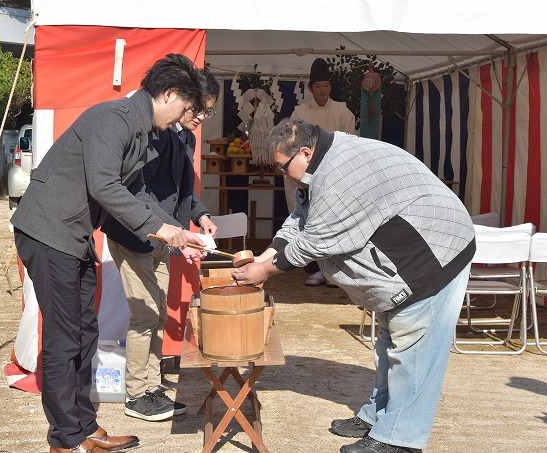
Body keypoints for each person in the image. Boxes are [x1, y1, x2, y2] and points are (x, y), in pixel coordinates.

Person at [232, 118, 475, 453]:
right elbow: (300, 219)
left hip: (435, 252)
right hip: (412, 250)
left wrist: (265, 271)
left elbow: (315, 242)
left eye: (283, 167)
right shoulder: (321, 162)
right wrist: (266, 254)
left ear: (305, 151)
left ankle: (399, 439)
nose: (282, 174)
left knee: (412, 350)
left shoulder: (339, 175)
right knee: (390, 342)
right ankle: (378, 416)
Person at [11, 54, 207, 453]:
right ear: (168, 94)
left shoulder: (139, 129)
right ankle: (65, 440)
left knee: (85, 332)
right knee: (66, 338)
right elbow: (104, 185)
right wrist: (163, 228)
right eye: (186, 109)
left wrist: (177, 232)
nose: (184, 119)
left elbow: (133, 192)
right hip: (48, 232)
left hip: (73, 237)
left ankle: (83, 426)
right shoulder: (112, 118)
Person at [102, 69, 220, 422]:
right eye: (198, 109)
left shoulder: (186, 138)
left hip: (165, 238)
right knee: (145, 314)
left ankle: (151, 385)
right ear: (180, 99)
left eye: (208, 112)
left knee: (157, 312)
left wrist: (200, 216)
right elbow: (140, 190)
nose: (200, 117)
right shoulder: (153, 134)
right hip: (134, 233)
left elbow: (184, 191)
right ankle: (136, 394)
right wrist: (167, 228)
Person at [290, 57, 357, 287]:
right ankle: (318, 269)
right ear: (311, 89)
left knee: (335, 220)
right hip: (308, 175)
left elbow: (352, 142)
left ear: (330, 87)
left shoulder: (342, 110)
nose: (322, 90)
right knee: (311, 222)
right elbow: (293, 142)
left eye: (326, 86)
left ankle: (334, 270)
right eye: (317, 86)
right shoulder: (300, 111)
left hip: (336, 174)